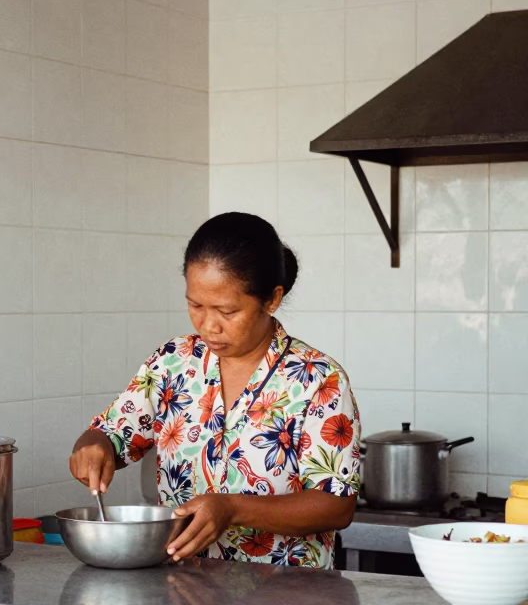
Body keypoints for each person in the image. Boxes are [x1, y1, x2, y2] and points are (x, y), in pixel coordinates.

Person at [69, 212, 360, 567]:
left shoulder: (318, 379)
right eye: (196, 305)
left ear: (272, 300)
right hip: (182, 594)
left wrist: (232, 508)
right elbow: (110, 436)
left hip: (287, 603)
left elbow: (336, 505)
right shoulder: (172, 362)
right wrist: (93, 447)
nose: (208, 326)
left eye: (227, 310)